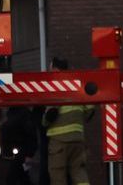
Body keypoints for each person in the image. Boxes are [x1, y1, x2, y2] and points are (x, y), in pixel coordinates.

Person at [42, 57, 93, 185]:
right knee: (79, 173)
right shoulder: (76, 84)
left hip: (59, 141)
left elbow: (49, 116)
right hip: (78, 140)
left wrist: (44, 121)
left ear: (54, 68)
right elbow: (89, 111)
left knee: (57, 176)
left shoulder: (55, 85)